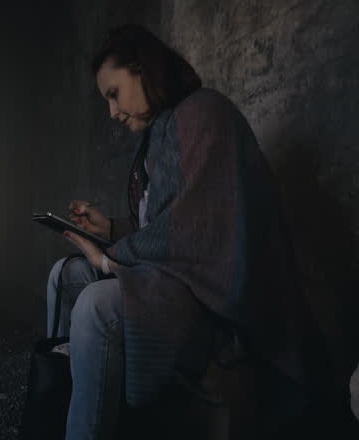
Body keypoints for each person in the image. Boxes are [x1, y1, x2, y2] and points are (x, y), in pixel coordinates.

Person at [47, 24, 317, 439]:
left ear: (142, 69)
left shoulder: (204, 115)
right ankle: (67, 401)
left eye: (113, 94)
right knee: (64, 277)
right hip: (173, 280)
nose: (113, 113)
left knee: (95, 306)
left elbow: (195, 233)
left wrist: (108, 257)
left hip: (213, 301)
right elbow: (165, 226)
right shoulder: (158, 134)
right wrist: (113, 228)